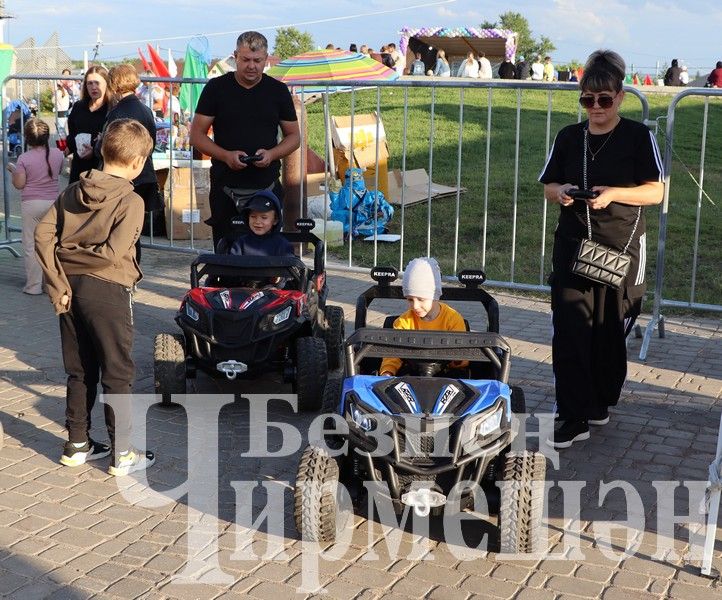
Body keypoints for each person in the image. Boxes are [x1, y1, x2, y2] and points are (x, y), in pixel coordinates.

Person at [538, 49, 664, 449]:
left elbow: (657, 190)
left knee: (609, 333)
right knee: (571, 329)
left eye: (604, 99)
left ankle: (598, 401)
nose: (596, 108)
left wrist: (615, 195)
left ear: (620, 97)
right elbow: (548, 185)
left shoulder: (638, 137)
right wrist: (560, 193)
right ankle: (571, 414)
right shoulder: (568, 137)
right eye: (588, 100)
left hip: (621, 248)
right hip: (574, 246)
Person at [34, 118, 157, 476]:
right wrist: (72, 261)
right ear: (138, 163)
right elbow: (111, 254)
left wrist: (58, 278)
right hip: (108, 290)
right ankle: (122, 453)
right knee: (117, 372)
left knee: (79, 369)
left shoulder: (73, 189)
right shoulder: (131, 200)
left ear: (103, 150)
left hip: (69, 289)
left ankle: (77, 444)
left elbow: (43, 235)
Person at [189, 31, 300, 250]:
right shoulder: (216, 88)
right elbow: (196, 135)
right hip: (225, 186)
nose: (251, 66)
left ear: (266, 59)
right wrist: (225, 156)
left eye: (257, 61)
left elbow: (294, 137)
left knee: (266, 255)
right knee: (225, 254)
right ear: (235, 57)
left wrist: (272, 154)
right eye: (246, 60)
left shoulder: (277, 91)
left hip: (266, 186)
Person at [104, 64, 160, 263]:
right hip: (145, 174)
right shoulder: (145, 110)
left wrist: (97, 144)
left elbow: (111, 146)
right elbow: (151, 141)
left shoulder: (117, 112)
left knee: (121, 231)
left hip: (124, 177)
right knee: (135, 230)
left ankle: (125, 271)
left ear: (113, 84)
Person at [379, 257, 467, 377]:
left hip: (446, 375)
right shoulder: (403, 323)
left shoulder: (453, 320)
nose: (415, 306)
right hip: (412, 375)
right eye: (410, 299)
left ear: (435, 295)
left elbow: (463, 360)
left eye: (421, 299)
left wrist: (457, 359)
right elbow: (393, 354)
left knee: (460, 376)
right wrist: (388, 372)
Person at [7, 118, 64, 295]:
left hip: (31, 204)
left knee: (31, 245)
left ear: (27, 138)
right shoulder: (58, 154)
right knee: (51, 244)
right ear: (47, 136)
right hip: (53, 203)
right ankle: (51, 284)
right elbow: (58, 173)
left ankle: (33, 286)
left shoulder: (24, 158)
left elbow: (20, 184)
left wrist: (13, 170)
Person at [66, 66, 111, 184]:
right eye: (90, 83)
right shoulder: (79, 107)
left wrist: (95, 151)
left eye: (97, 82)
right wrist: (67, 146)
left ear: (106, 84)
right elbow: (72, 134)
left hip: (101, 168)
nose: (94, 87)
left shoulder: (111, 110)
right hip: (79, 167)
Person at [220, 190, 292, 256]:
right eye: (253, 216)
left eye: (264, 217)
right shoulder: (240, 244)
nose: (257, 222)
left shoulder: (282, 245)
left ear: (275, 220)